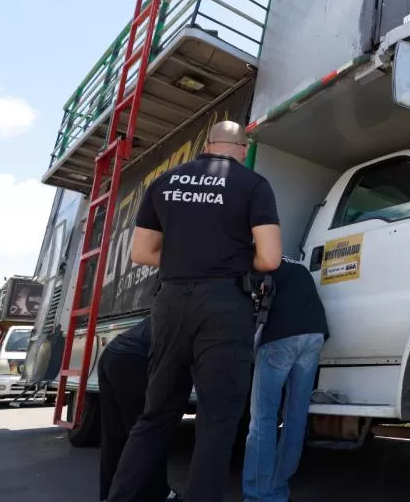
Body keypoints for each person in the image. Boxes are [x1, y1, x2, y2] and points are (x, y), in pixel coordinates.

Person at [107, 120, 283, 502]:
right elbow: (269, 258)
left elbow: (141, 252)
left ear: (207, 144)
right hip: (224, 306)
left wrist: (188, 259)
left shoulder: (164, 182)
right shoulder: (253, 185)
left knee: (154, 417)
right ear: (241, 147)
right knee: (217, 422)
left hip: (170, 303)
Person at [242, 258, 329, 502]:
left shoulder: (259, 266)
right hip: (314, 336)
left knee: (263, 419)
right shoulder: (297, 267)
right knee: (295, 416)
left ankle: (258, 495)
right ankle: (278, 490)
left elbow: (251, 306)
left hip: (280, 339)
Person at [97, 316, 180, 502]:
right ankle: (160, 494)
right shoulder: (200, 308)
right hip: (134, 359)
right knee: (149, 433)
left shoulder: (172, 299)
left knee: (114, 436)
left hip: (112, 354)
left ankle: (107, 494)